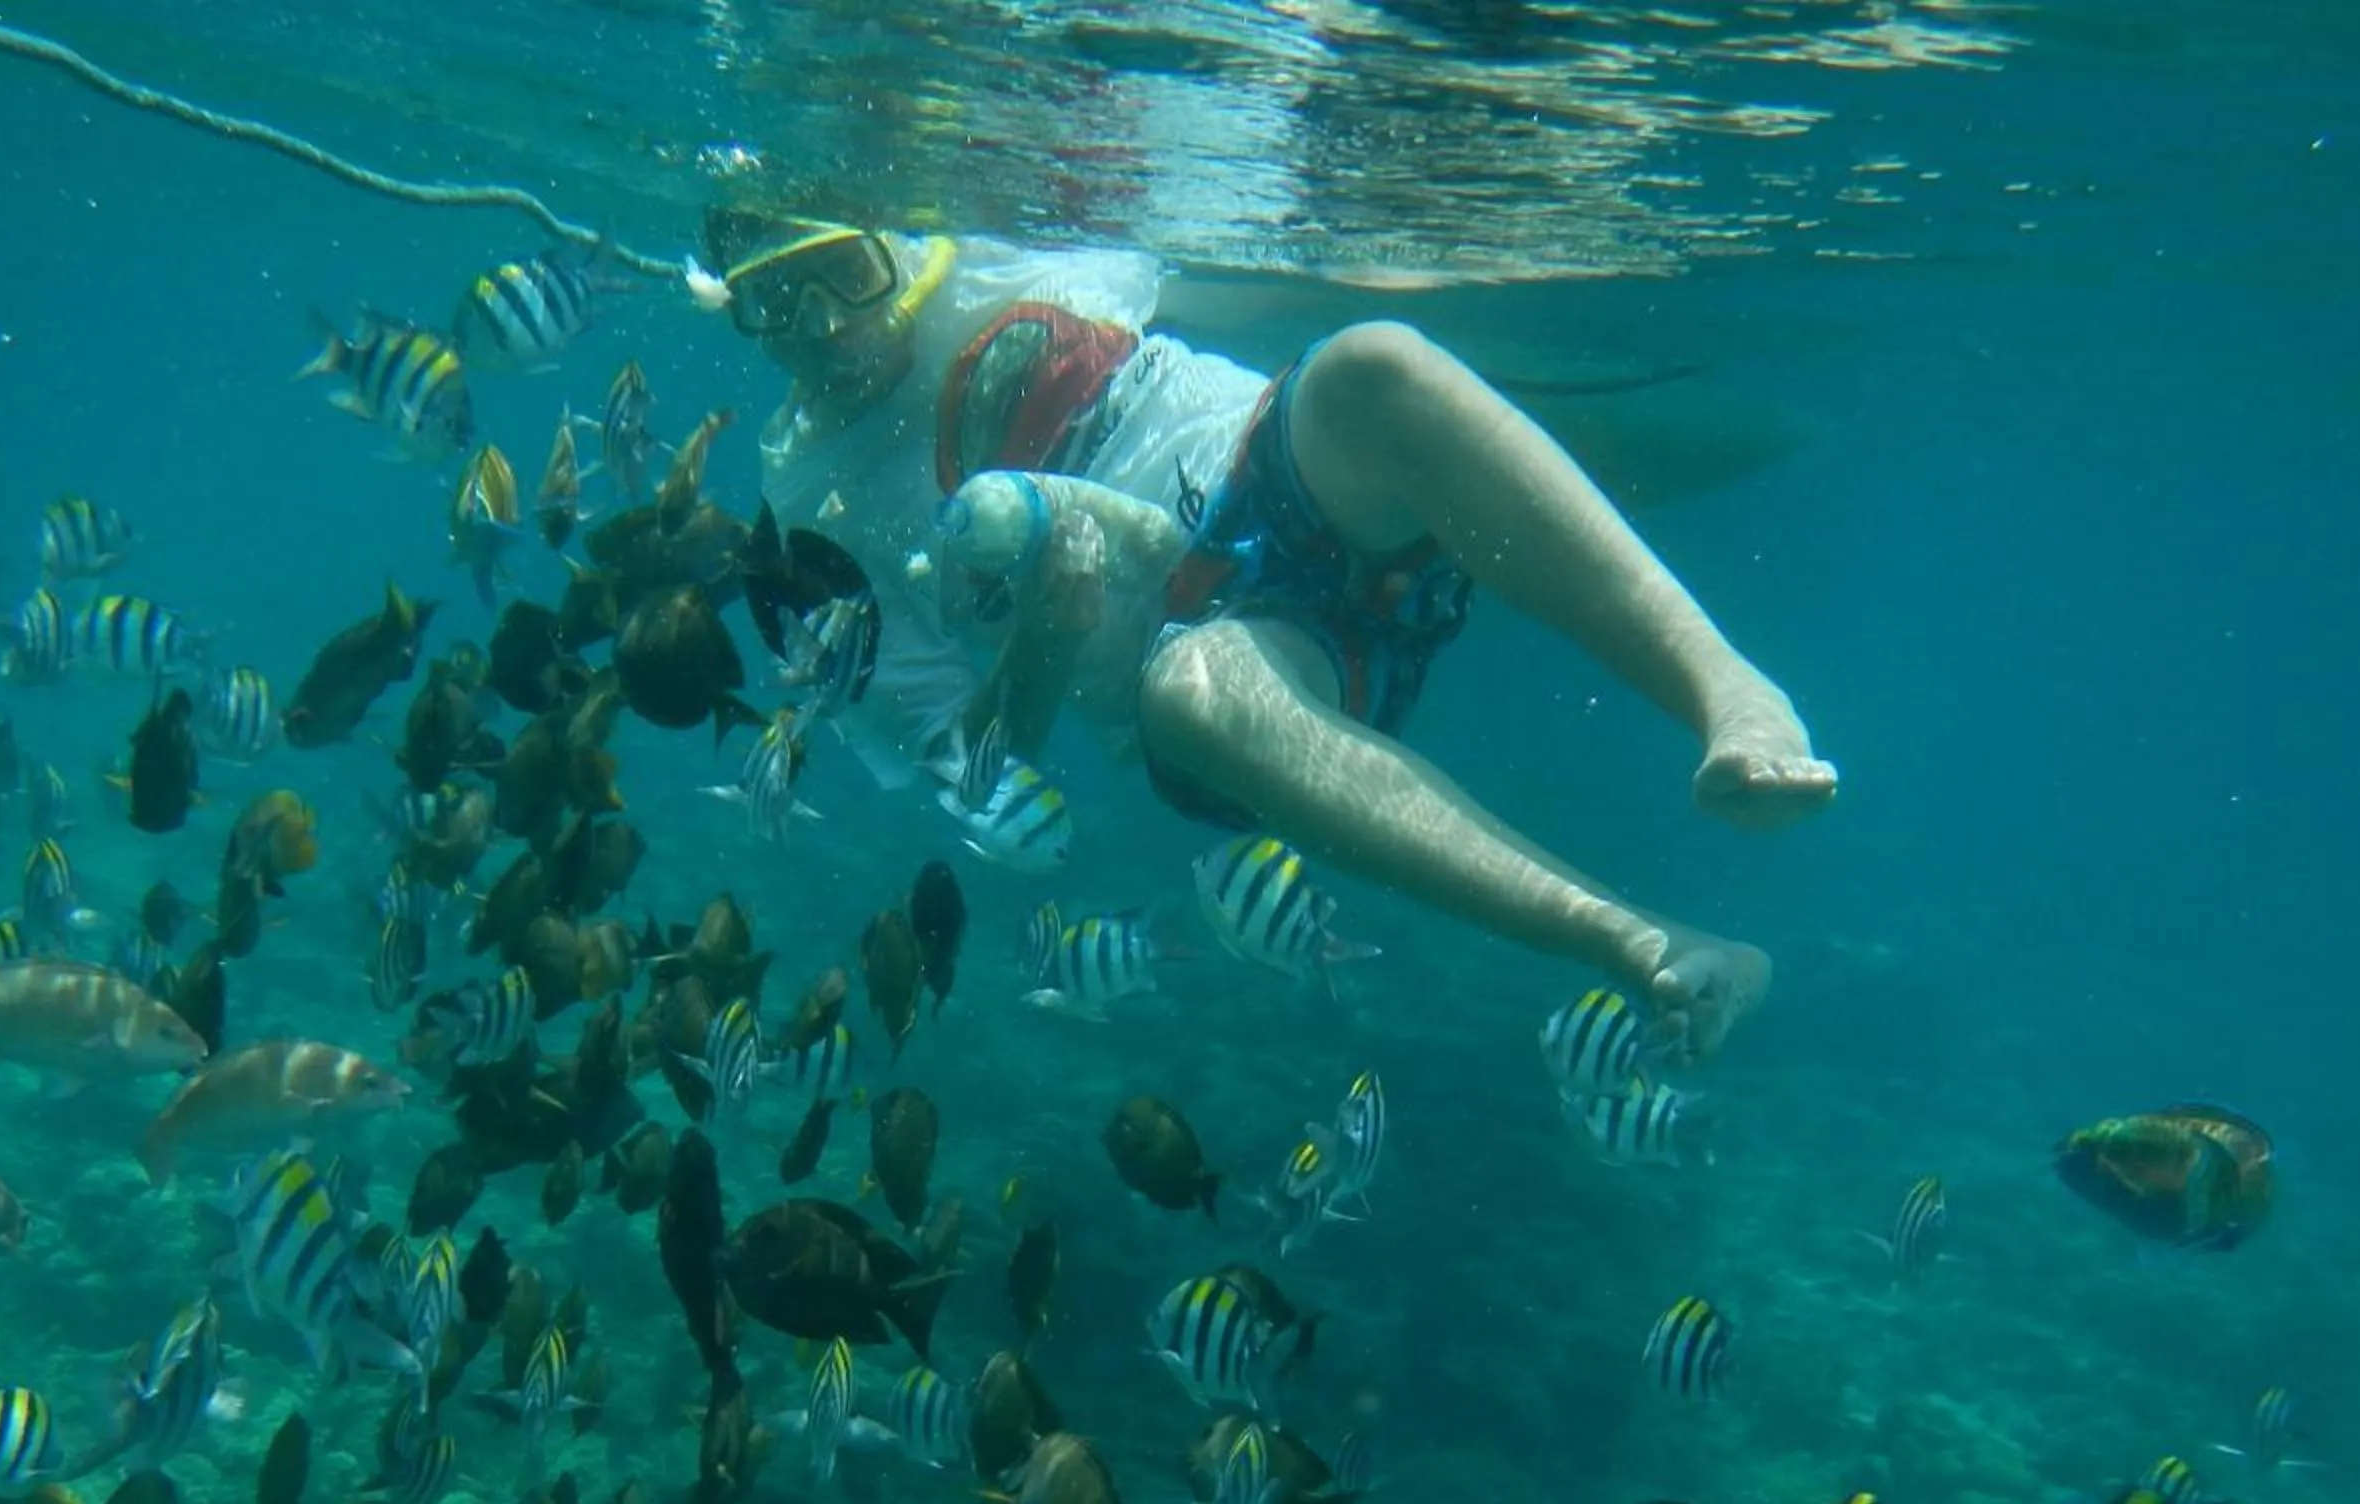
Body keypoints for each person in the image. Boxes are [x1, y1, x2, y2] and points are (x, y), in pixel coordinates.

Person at [696, 210, 1837, 1063]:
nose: (832, 328)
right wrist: (1044, 638)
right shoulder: (808, 519)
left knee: (1372, 365)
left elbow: (1246, 246)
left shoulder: (993, 240)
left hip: (1285, 471)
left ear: (887, 239)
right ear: (740, 318)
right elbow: (978, 770)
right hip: (1227, 645)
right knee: (1193, 694)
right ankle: (1642, 947)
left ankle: (1728, 694)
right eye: (778, 310)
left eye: (844, 275)